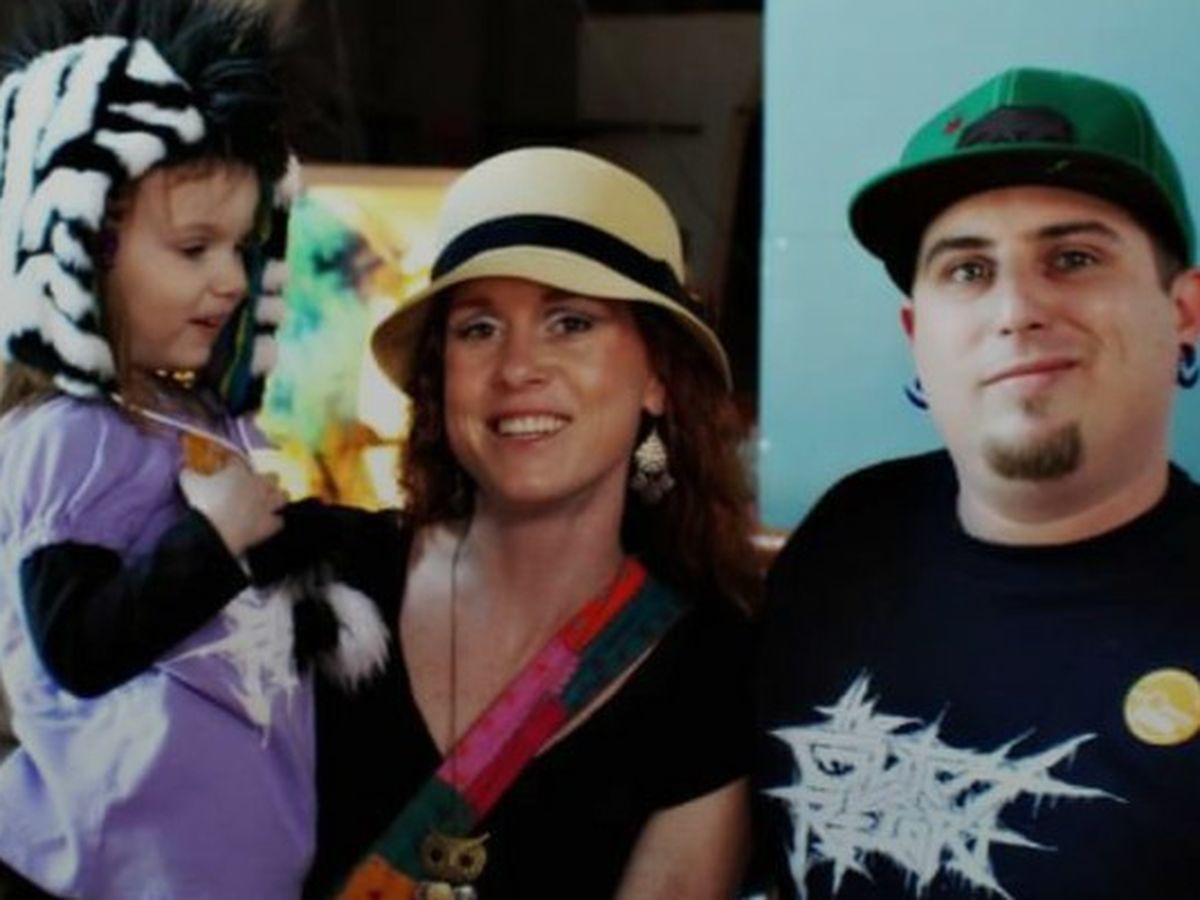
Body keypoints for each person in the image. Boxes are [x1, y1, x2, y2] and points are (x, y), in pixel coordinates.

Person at [754, 66, 1200, 899]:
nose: (1016, 309)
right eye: (967, 271)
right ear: (917, 335)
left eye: (1073, 258)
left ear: (1184, 312)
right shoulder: (848, 537)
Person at [0, 1, 387, 897]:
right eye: (193, 247)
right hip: (106, 872)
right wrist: (215, 539)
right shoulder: (67, 436)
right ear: (85, 247)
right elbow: (79, 648)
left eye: (241, 248)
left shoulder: (192, 416)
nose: (230, 279)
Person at [303, 146, 760, 900]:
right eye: (478, 328)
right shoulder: (322, 579)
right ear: (440, 376)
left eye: (570, 322)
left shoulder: (709, 670)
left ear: (656, 376)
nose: (517, 367)